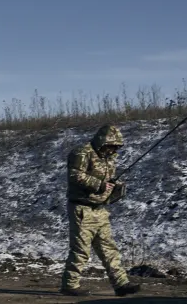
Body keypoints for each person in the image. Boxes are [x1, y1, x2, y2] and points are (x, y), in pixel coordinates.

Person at [60, 124, 141, 297]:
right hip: (82, 209)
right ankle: (70, 284)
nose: (113, 149)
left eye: (116, 146)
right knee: (81, 250)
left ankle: (121, 284)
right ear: (103, 141)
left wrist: (115, 187)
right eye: (112, 145)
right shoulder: (81, 152)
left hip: (100, 209)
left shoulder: (109, 158)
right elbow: (75, 175)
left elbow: (107, 178)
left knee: (108, 249)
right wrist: (101, 185)